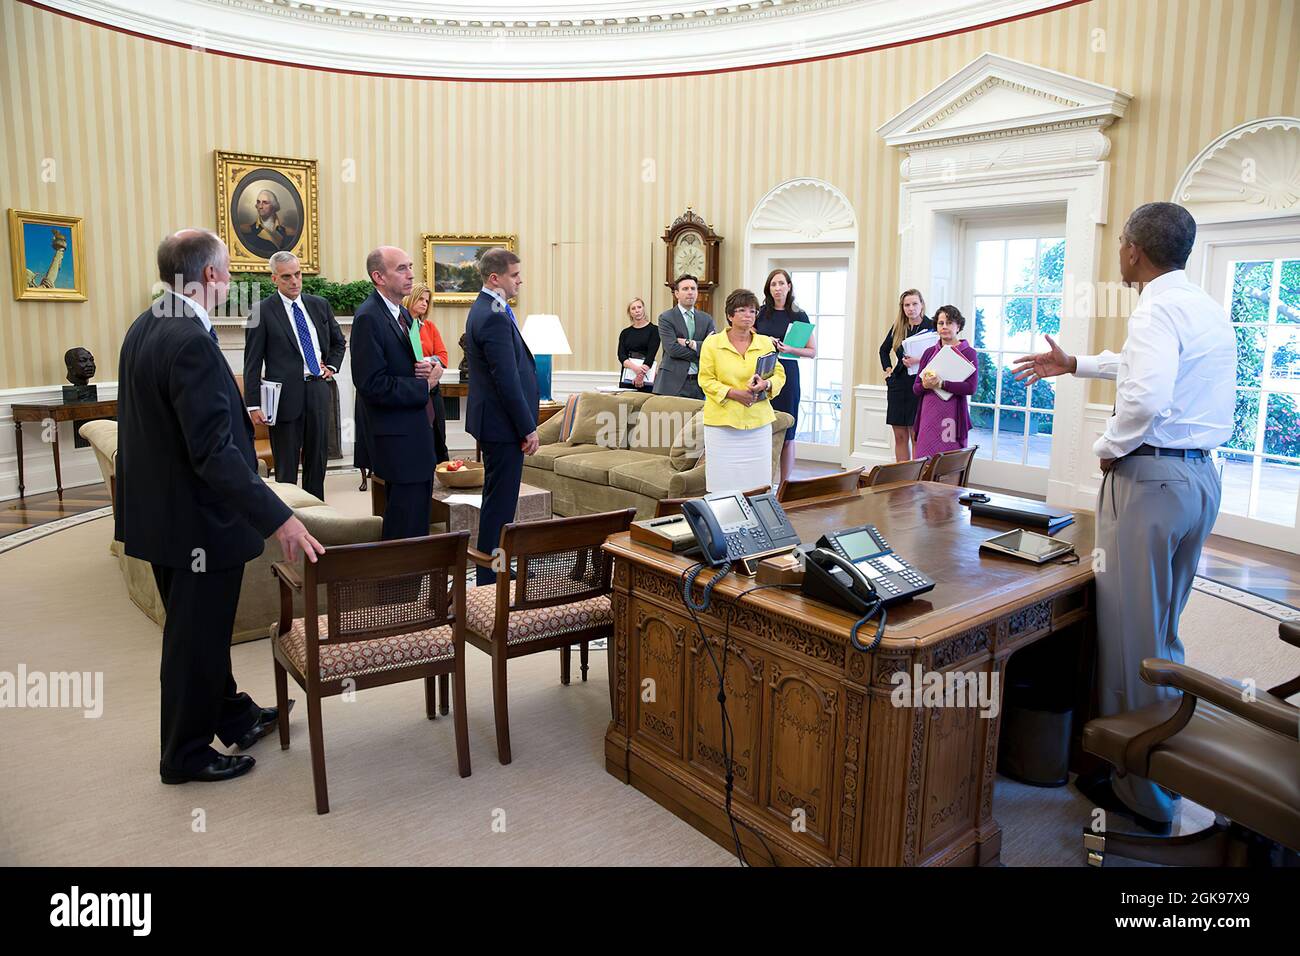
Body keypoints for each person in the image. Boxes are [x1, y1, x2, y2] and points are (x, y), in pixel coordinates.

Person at [1011, 202, 1235, 835]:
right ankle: (1160, 756)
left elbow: (1144, 394)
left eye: (1120, 246)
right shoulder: (1204, 307)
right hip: (1198, 480)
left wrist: (1107, 448)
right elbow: (1146, 369)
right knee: (1161, 627)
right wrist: (1077, 363)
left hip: (1153, 479)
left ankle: (1142, 791)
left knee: (1130, 637)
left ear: (1134, 251)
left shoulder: (1157, 308)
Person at [116, 229, 323, 785]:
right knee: (194, 640)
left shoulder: (148, 323)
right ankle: (183, 754)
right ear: (209, 276)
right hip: (197, 525)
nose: (232, 279)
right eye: (228, 270)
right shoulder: (189, 339)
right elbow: (213, 454)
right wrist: (280, 516)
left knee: (199, 630)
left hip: (161, 516)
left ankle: (233, 715)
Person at [350, 246, 439, 540]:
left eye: (410, 266)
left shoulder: (402, 313)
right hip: (398, 442)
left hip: (417, 432)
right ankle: (397, 587)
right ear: (378, 276)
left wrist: (425, 370)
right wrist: (424, 386)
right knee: (404, 528)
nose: (411, 274)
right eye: (401, 268)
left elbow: (406, 366)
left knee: (418, 523)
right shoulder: (368, 318)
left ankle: (414, 584)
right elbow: (371, 385)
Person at [243, 251, 346, 501]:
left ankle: (317, 516)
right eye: (287, 276)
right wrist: (253, 404)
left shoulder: (319, 304)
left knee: (317, 461)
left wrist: (330, 367)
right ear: (274, 279)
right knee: (286, 467)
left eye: (298, 274)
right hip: (284, 398)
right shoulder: (262, 311)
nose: (294, 281)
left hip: (318, 391)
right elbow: (252, 363)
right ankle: (287, 521)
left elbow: (338, 343)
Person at [464, 248, 538, 585]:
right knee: (499, 506)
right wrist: (527, 427)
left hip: (495, 422)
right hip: (503, 425)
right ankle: (491, 577)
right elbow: (505, 379)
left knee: (499, 503)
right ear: (495, 278)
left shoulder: (489, 307)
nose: (520, 279)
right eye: (514, 274)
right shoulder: (493, 313)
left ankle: (495, 569)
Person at [697, 289, 786, 493]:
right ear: (730, 315)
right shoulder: (712, 343)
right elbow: (706, 380)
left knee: (758, 486)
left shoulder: (764, 343)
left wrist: (766, 385)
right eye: (742, 310)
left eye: (753, 311)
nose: (748, 315)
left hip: (758, 423)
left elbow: (779, 374)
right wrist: (734, 393)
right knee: (722, 485)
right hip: (722, 425)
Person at [755, 269, 815, 483]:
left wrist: (789, 348)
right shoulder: (760, 313)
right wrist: (764, 341)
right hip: (763, 372)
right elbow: (748, 339)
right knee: (764, 429)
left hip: (789, 373)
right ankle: (762, 482)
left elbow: (812, 351)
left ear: (789, 286)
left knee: (788, 431)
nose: (777, 288)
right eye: (773, 284)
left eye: (781, 283)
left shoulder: (799, 315)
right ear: (768, 288)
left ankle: (784, 485)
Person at [912, 306, 978, 458]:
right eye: (941, 323)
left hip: (951, 417)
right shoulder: (929, 352)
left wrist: (941, 384)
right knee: (924, 461)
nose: (945, 327)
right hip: (928, 415)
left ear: (958, 326)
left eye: (949, 323)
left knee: (949, 463)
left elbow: (971, 388)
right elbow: (916, 388)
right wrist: (925, 385)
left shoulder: (969, 353)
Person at [880, 289, 936, 461]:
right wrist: (888, 370)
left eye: (914, 304)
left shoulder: (932, 326)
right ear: (902, 308)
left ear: (922, 305)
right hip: (898, 384)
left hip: (919, 385)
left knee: (916, 435)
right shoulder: (898, 326)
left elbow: (938, 354)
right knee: (899, 436)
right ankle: (902, 479)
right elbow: (883, 350)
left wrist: (918, 360)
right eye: (907, 305)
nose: (911, 308)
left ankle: (915, 480)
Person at [404, 282, 451, 466]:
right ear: (410, 298)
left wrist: (427, 360)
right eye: (421, 299)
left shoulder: (429, 326)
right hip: (411, 386)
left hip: (433, 386)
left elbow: (443, 356)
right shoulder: (400, 325)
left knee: (438, 430)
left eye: (427, 300)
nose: (424, 303)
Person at [653, 274, 715, 399]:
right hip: (672, 383)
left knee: (698, 419)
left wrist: (690, 343)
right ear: (676, 294)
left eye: (693, 289)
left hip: (700, 384)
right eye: (685, 289)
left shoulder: (706, 319)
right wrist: (700, 351)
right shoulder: (666, 318)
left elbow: (713, 348)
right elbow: (672, 349)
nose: (690, 292)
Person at [238, 188, 298, 257]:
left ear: (273, 206)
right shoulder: (246, 231)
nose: (260, 206)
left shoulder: (289, 233)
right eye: (258, 202)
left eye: (265, 203)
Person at [617, 297, 659, 392]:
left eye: (639, 307)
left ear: (643, 309)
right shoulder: (625, 333)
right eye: (633, 308)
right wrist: (635, 369)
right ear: (630, 313)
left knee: (645, 406)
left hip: (646, 375)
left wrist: (640, 375)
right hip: (628, 374)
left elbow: (651, 355)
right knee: (624, 406)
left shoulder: (654, 330)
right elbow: (621, 356)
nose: (637, 311)